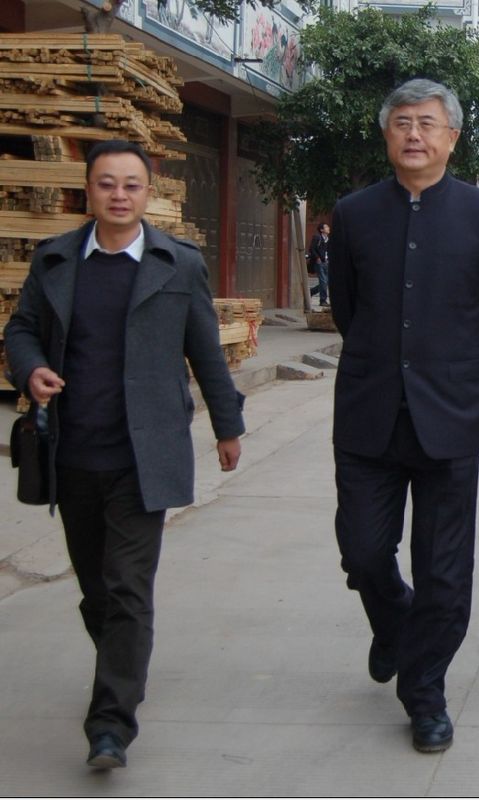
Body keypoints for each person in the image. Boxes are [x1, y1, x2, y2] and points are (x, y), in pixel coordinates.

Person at [3, 139, 245, 770]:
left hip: (145, 455)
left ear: (148, 194)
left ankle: (110, 725)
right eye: (106, 183)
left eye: (131, 184)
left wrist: (228, 427)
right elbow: (21, 328)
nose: (118, 195)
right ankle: (125, 663)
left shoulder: (177, 264)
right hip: (73, 454)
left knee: (128, 588)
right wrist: (29, 369)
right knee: (96, 592)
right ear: (89, 191)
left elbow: (205, 350)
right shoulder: (56, 259)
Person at [329, 79, 479, 753]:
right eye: (402, 122)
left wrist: (456, 373)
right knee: (362, 551)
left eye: (427, 123)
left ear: (452, 137)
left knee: (445, 572)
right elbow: (347, 309)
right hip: (368, 416)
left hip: (450, 419)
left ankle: (425, 692)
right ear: (387, 134)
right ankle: (395, 623)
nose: (414, 134)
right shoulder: (354, 214)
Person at [308, 222, 330, 307]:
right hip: (319, 262)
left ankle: (311, 292)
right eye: (326, 227)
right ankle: (323, 300)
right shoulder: (317, 237)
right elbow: (312, 249)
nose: (328, 228)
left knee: (326, 282)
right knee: (323, 281)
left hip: (326, 262)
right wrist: (317, 258)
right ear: (321, 230)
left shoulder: (328, 239)